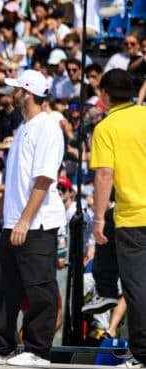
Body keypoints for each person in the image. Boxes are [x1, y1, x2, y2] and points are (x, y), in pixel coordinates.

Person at [0, 70, 66, 367]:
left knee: (40, 287)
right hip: (14, 221)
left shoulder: (48, 127)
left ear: (27, 93)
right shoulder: (22, 128)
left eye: (15, 89)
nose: (11, 93)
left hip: (37, 224)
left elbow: (43, 180)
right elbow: (17, 181)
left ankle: (38, 351)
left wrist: (25, 220)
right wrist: (0, 210)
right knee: (5, 286)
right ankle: (0, 346)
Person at [90, 69, 146, 368]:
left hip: (134, 218)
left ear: (104, 95)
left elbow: (104, 175)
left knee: (138, 289)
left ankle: (142, 354)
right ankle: (105, 287)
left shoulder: (107, 127)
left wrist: (98, 219)